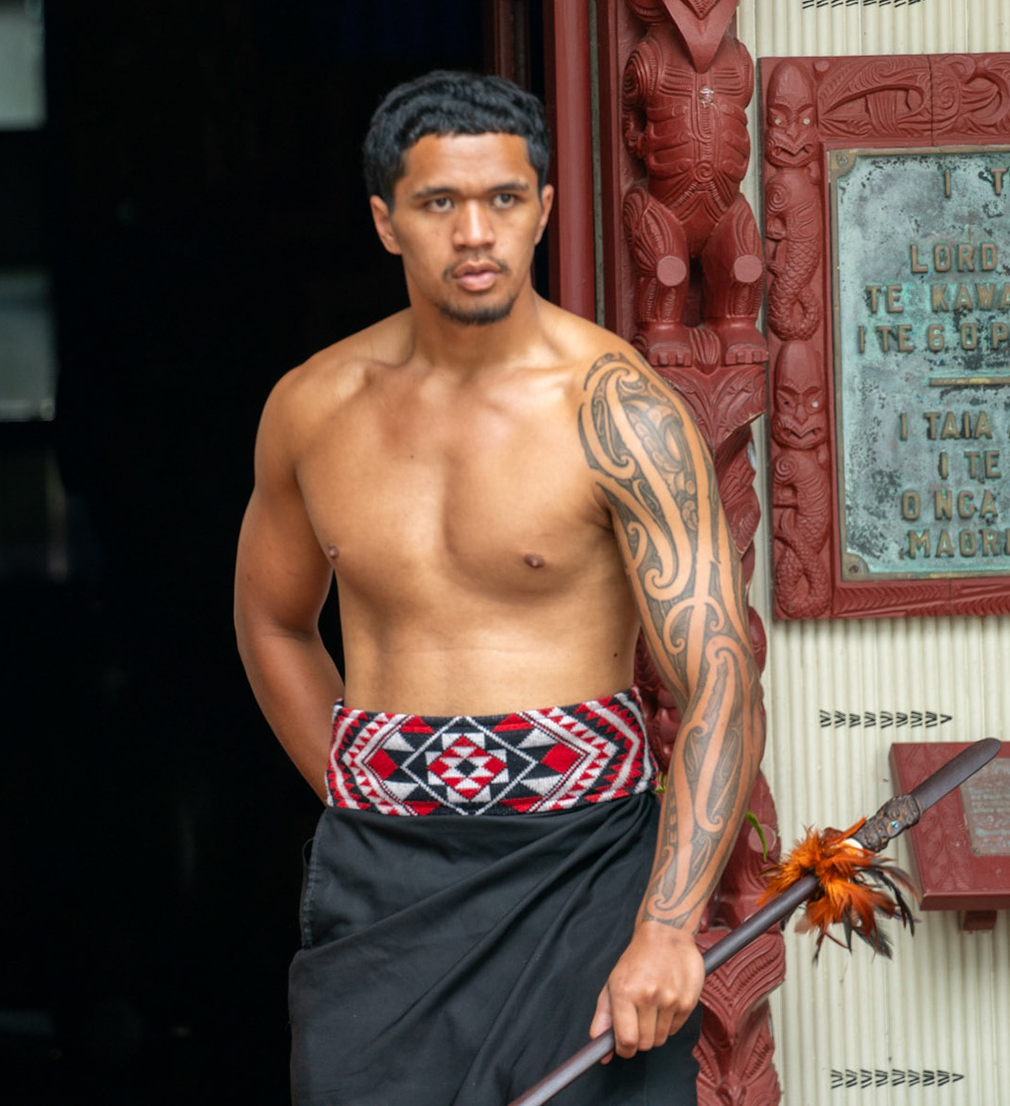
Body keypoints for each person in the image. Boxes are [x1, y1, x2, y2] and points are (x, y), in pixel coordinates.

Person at [233, 70, 764, 1106]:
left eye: (504, 201)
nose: (475, 233)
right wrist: (355, 784)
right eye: (439, 204)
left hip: (582, 874)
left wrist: (664, 926)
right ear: (387, 223)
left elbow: (721, 682)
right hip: (382, 880)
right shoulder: (313, 407)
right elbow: (273, 623)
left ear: (544, 212)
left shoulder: (621, 413)